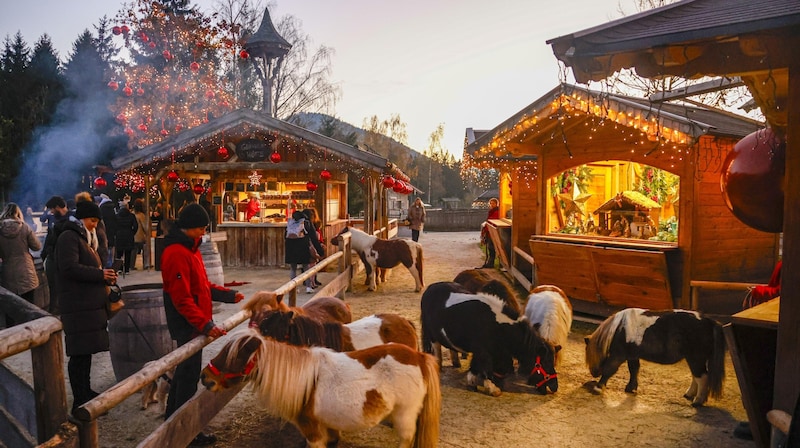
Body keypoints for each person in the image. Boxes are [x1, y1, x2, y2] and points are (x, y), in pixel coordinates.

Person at [161, 203, 242, 446]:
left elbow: (202, 287)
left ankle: (174, 423)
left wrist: (227, 295)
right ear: (191, 228)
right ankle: (185, 431)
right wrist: (205, 325)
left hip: (195, 323)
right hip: (187, 325)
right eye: (202, 228)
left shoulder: (192, 249)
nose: (204, 233)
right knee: (186, 379)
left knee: (185, 377)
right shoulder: (176, 253)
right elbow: (182, 299)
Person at [55, 200, 119, 414]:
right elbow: (69, 268)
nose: (95, 225)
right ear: (82, 218)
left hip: (87, 303)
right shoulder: (69, 237)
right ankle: (79, 399)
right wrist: (100, 274)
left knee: (86, 351)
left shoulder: (83, 237)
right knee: (79, 354)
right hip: (77, 303)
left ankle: (85, 391)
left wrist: (105, 277)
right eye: (93, 220)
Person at [0, 203, 41, 307]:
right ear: (18, 213)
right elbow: (37, 246)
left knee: (12, 309)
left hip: (7, 273)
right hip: (26, 273)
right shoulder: (24, 227)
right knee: (30, 308)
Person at [41, 195, 72, 314]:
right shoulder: (59, 220)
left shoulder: (71, 220)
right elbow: (49, 238)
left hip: (63, 259)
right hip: (54, 257)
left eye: (52, 209)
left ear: (58, 207)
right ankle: (55, 310)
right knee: (54, 288)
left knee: (58, 288)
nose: (51, 212)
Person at [285, 210, 322, 294]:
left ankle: (293, 288)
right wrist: (320, 251)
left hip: (290, 247)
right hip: (302, 247)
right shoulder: (306, 223)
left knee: (293, 268)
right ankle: (308, 287)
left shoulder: (290, 223)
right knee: (306, 267)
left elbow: (285, 236)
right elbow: (313, 237)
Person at [75, 192, 109, 269]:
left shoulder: (92, 217)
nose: (95, 225)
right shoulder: (94, 215)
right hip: (93, 264)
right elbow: (102, 240)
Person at [302, 208, 325, 288]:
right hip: (310, 247)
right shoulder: (308, 225)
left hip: (309, 246)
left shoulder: (312, 224)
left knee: (311, 265)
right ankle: (309, 283)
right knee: (310, 265)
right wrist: (320, 251)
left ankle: (312, 281)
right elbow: (314, 238)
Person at [115, 203, 138, 274]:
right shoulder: (131, 216)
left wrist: (116, 233)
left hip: (119, 235)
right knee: (128, 253)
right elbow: (135, 226)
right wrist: (132, 233)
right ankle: (127, 269)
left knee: (119, 254)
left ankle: (120, 268)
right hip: (129, 235)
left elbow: (114, 225)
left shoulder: (117, 216)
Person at [98, 194, 118, 268]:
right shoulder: (113, 208)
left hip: (104, 234)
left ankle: (106, 267)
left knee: (105, 252)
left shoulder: (101, 209)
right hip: (112, 234)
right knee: (111, 252)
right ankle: (110, 266)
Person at [480, 198, 500, 268]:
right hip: (489, 232)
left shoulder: (496, 212)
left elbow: (493, 221)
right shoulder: (492, 211)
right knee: (490, 247)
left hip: (492, 232)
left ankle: (491, 263)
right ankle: (490, 262)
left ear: (496, 204)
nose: (491, 205)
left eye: (493, 203)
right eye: (491, 203)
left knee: (491, 248)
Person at [132, 199, 151, 270]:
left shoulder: (132, 214)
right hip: (140, 236)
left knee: (133, 251)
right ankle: (146, 264)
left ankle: (131, 265)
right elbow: (145, 226)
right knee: (145, 249)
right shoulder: (141, 215)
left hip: (133, 236)